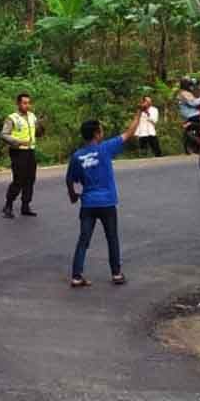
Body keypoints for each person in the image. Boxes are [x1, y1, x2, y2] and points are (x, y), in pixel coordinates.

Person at [65, 107, 143, 288]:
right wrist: (139, 113)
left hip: (88, 203)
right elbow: (129, 132)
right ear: (96, 134)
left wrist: (73, 196)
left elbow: (69, 179)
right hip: (107, 202)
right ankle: (116, 274)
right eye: (100, 130)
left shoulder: (77, 156)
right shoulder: (105, 148)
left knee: (84, 239)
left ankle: (76, 276)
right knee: (112, 238)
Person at [1, 93, 42, 219]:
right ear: (18, 103)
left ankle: (25, 206)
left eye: (29, 103)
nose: (27, 105)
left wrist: (41, 126)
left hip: (30, 151)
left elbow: (37, 133)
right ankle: (8, 205)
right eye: (24, 103)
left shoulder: (32, 116)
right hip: (18, 152)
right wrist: (18, 142)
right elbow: (4, 135)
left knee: (30, 179)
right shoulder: (12, 118)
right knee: (19, 180)